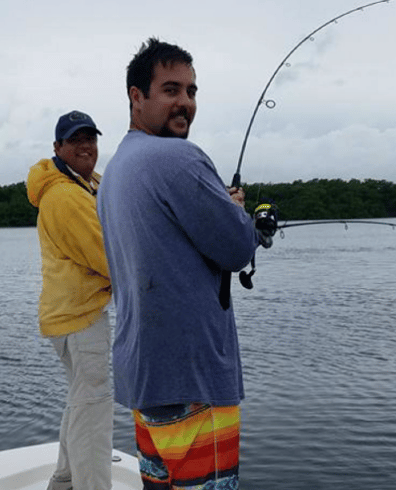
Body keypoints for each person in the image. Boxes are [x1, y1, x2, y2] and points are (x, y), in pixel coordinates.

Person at [97, 38, 259, 488]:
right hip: (194, 384)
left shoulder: (115, 171)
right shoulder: (178, 157)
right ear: (136, 97)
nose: (184, 102)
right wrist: (240, 215)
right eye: (170, 90)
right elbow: (236, 248)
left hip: (146, 381)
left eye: (191, 91)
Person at [26, 110, 113, 490]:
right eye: (76, 140)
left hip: (71, 316)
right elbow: (109, 257)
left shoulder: (86, 182)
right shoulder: (64, 195)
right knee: (93, 407)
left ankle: (63, 482)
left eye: (90, 139)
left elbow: (123, 209)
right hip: (80, 318)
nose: (85, 146)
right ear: (58, 147)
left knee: (81, 400)